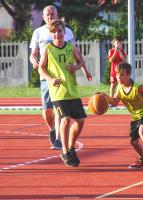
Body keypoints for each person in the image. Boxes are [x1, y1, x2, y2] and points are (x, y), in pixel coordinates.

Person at [29, 5, 91, 150]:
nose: (50, 16)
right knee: (47, 110)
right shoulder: (38, 33)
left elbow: (76, 53)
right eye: (47, 14)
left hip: (64, 79)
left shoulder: (67, 31)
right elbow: (33, 54)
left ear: (57, 14)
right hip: (46, 77)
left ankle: (58, 138)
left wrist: (84, 69)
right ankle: (52, 129)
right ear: (43, 17)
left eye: (52, 13)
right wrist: (34, 62)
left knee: (60, 109)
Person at [38, 19, 86, 167]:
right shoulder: (48, 49)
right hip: (58, 91)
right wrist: (50, 79)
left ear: (64, 33)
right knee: (65, 119)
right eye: (54, 32)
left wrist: (75, 67)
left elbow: (80, 62)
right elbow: (41, 68)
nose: (57, 34)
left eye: (60, 31)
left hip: (72, 89)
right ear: (51, 34)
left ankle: (71, 147)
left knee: (80, 121)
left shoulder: (71, 47)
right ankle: (65, 151)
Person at [103, 62, 143, 171]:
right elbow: (115, 102)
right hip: (135, 117)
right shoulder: (120, 89)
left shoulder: (138, 87)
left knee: (142, 131)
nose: (119, 77)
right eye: (117, 75)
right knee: (133, 141)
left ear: (129, 75)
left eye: (122, 75)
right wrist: (105, 96)